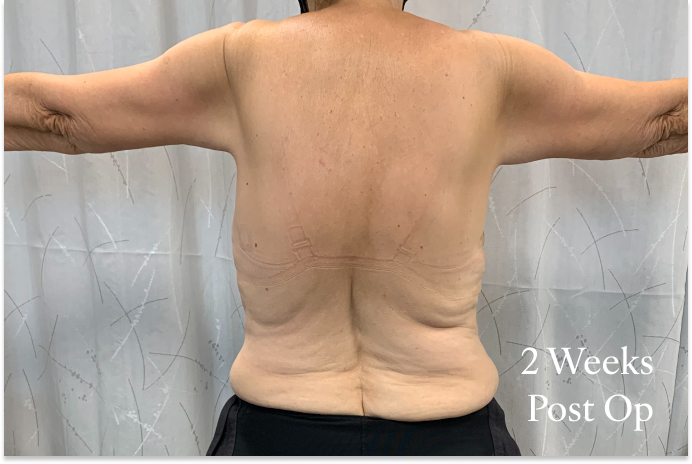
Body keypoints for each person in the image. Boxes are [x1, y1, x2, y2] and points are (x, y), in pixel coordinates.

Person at [4, 0, 687, 456]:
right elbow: (664, 121)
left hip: (277, 436)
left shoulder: (239, 60)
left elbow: (53, 117)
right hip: (449, 436)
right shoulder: (491, 69)